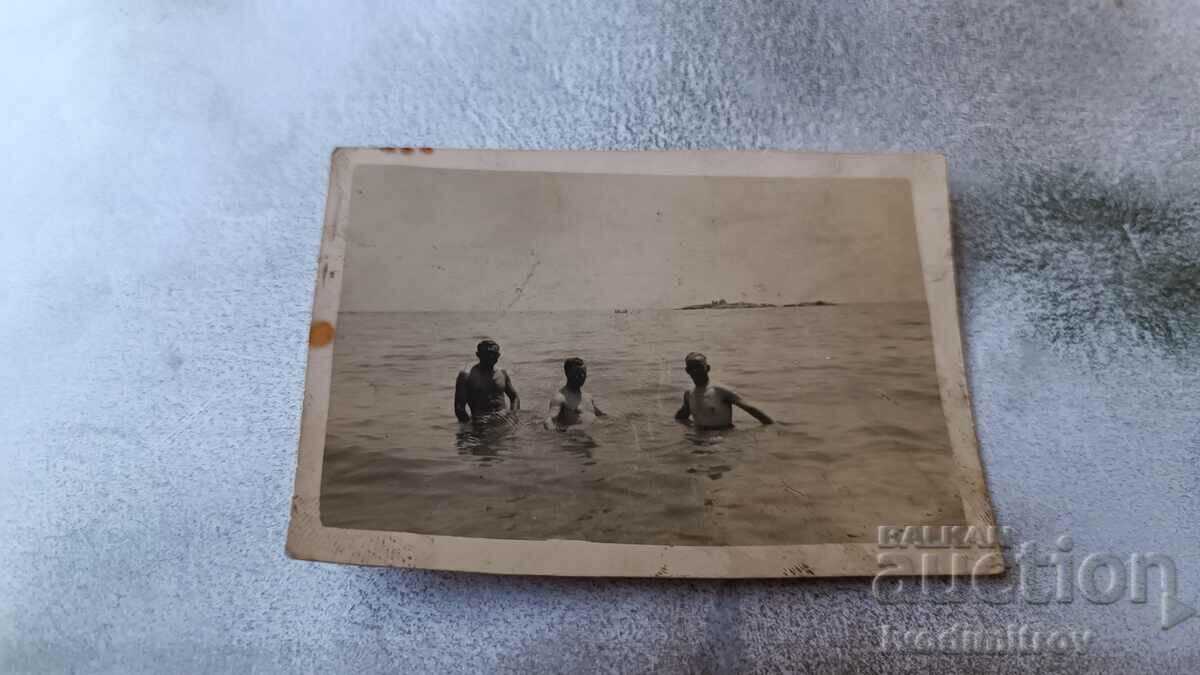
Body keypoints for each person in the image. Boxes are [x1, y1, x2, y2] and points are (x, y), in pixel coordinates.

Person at [674, 352, 774, 428]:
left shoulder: (721, 391)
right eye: (692, 368)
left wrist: (773, 428)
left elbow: (752, 410)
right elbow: (681, 418)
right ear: (687, 371)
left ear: (707, 368)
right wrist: (692, 430)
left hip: (722, 445)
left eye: (699, 367)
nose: (695, 371)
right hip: (698, 442)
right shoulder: (689, 395)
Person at [454, 339, 520, 422]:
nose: (491, 357)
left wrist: (514, 415)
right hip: (480, 423)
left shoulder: (502, 373)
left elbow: (514, 397)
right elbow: (459, 408)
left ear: (498, 356)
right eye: (487, 354)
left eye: (494, 354)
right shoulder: (466, 376)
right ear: (478, 355)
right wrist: (470, 429)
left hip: (503, 420)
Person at [544, 357, 607, 430]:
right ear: (567, 374)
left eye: (584, 373)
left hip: (592, 436)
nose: (582, 377)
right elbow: (550, 421)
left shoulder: (588, 397)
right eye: (577, 373)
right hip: (574, 439)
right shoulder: (560, 398)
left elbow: (600, 415)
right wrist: (556, 435)